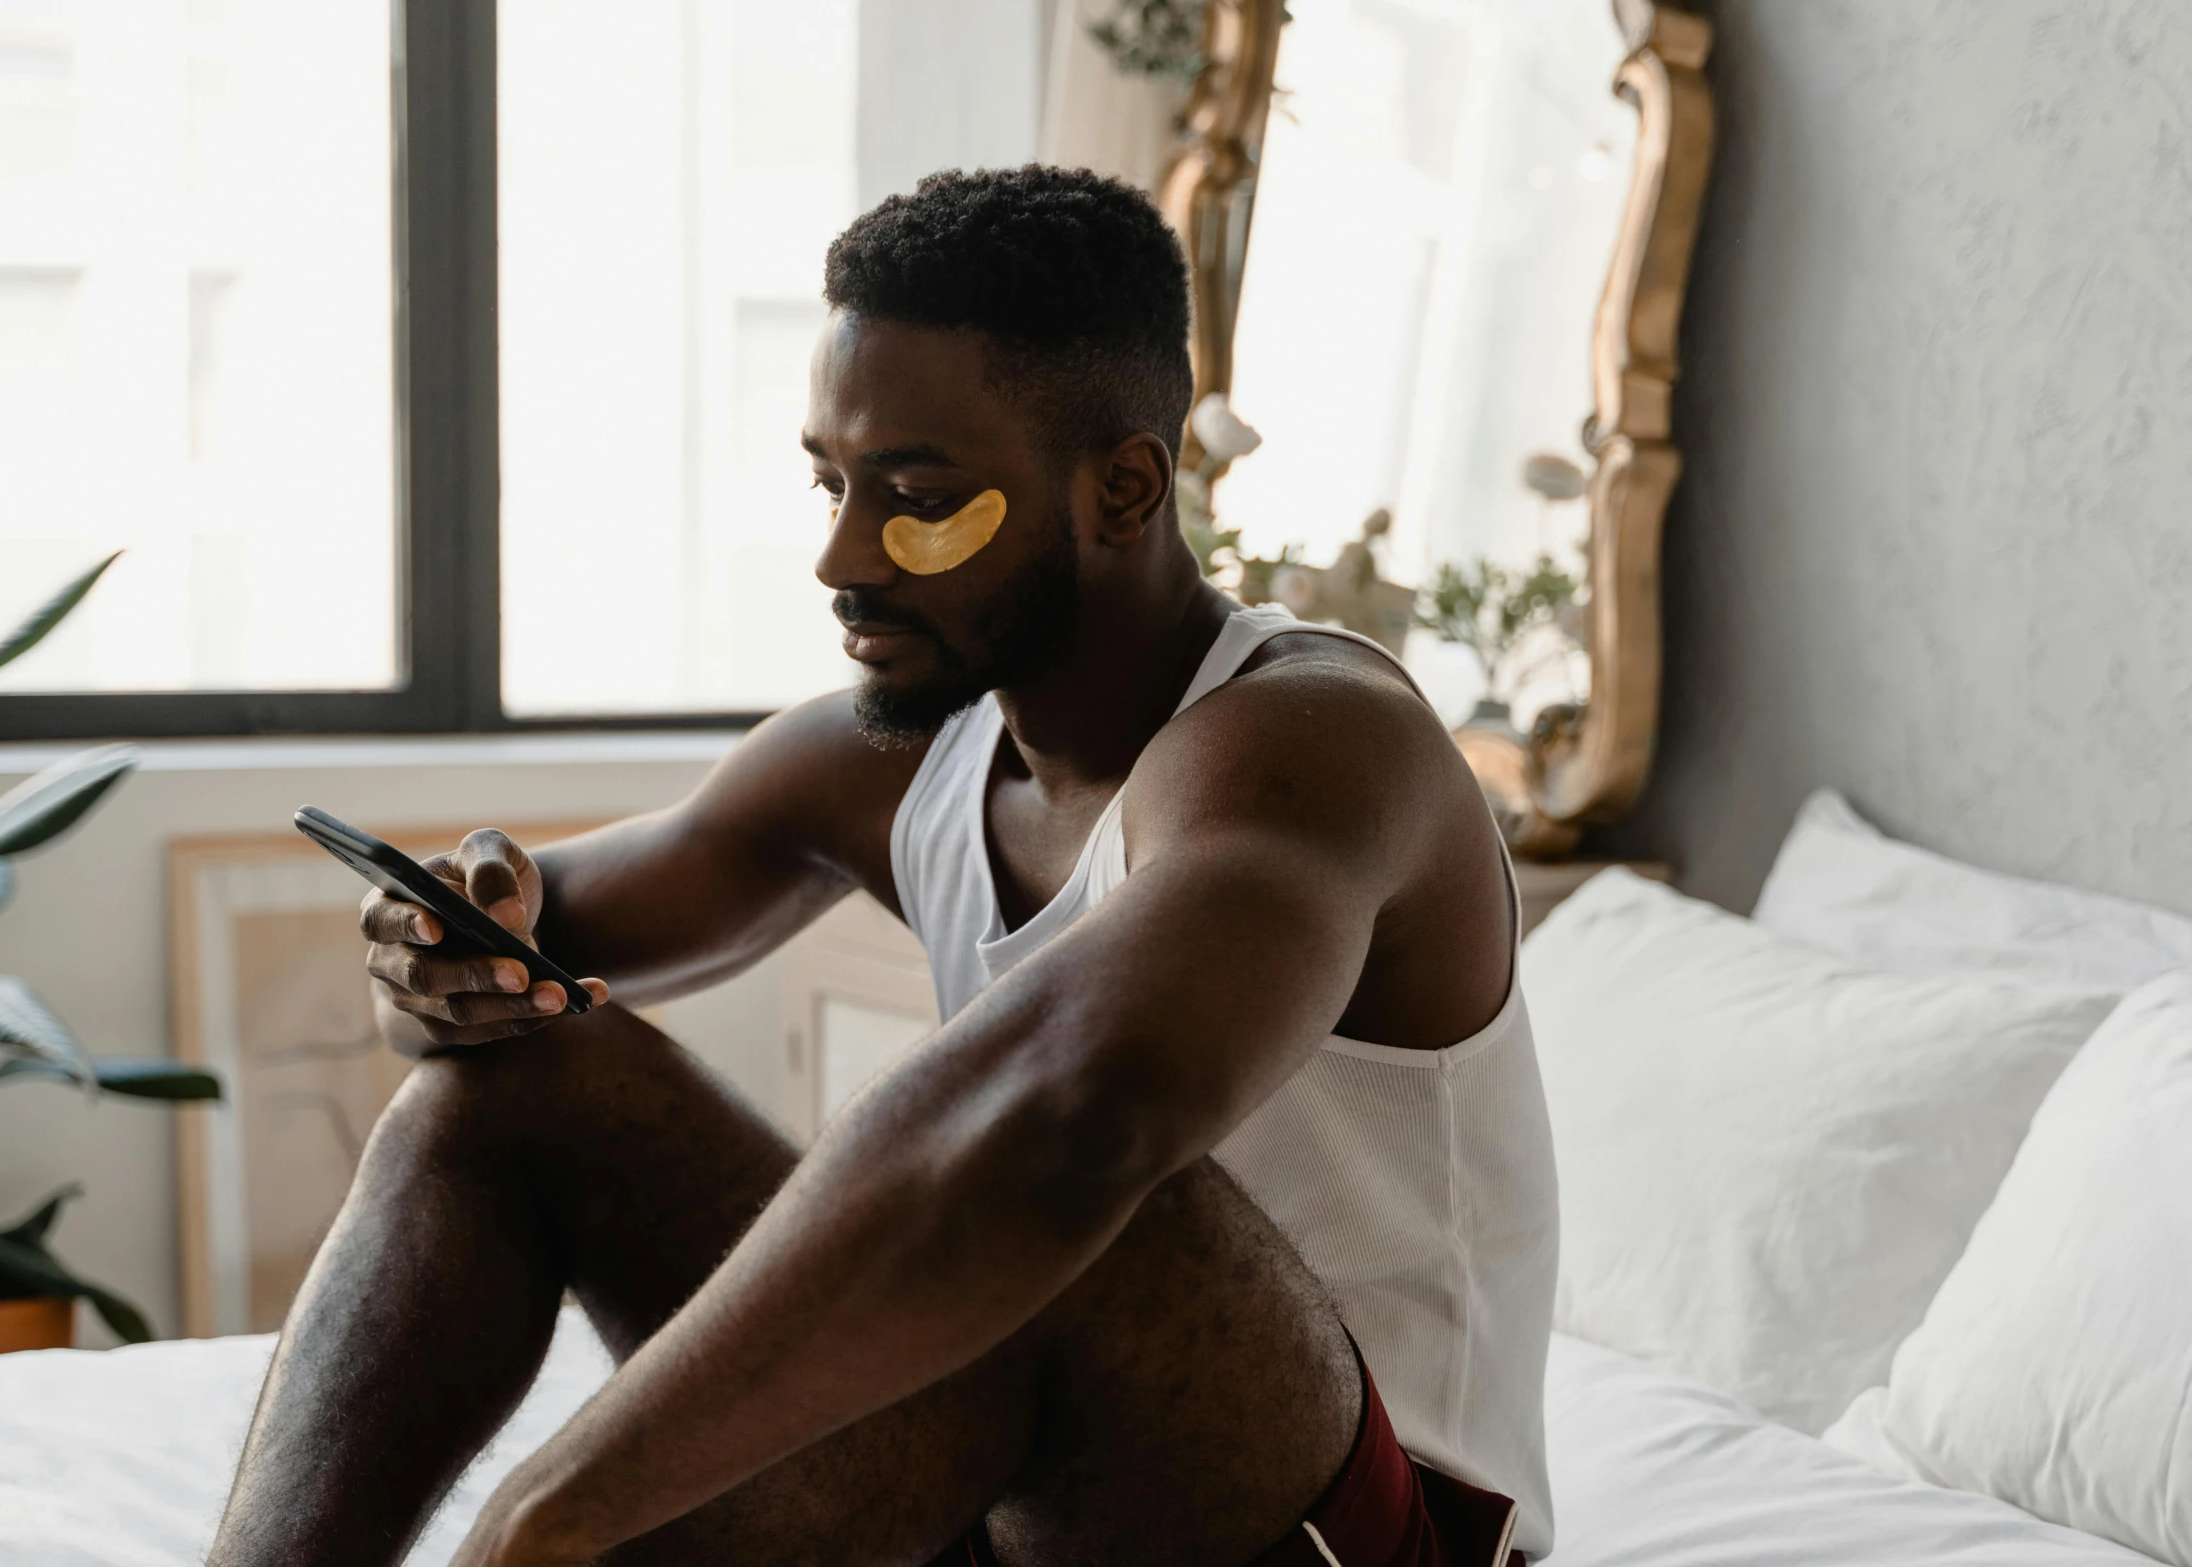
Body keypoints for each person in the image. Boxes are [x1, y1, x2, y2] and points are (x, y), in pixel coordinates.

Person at [208, 166, 1556, 1567]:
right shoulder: (898, 754)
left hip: (1348, 1528)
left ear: (1122, 487)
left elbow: (1067, 1122)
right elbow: (515, 948)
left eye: (916, 497)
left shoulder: (1312, 746)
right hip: (1022, 1503)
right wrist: (445, 956)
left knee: (1083, 1193)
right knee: (515, 1088)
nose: (841, 555)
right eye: (828, 482)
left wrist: (556, 1508)